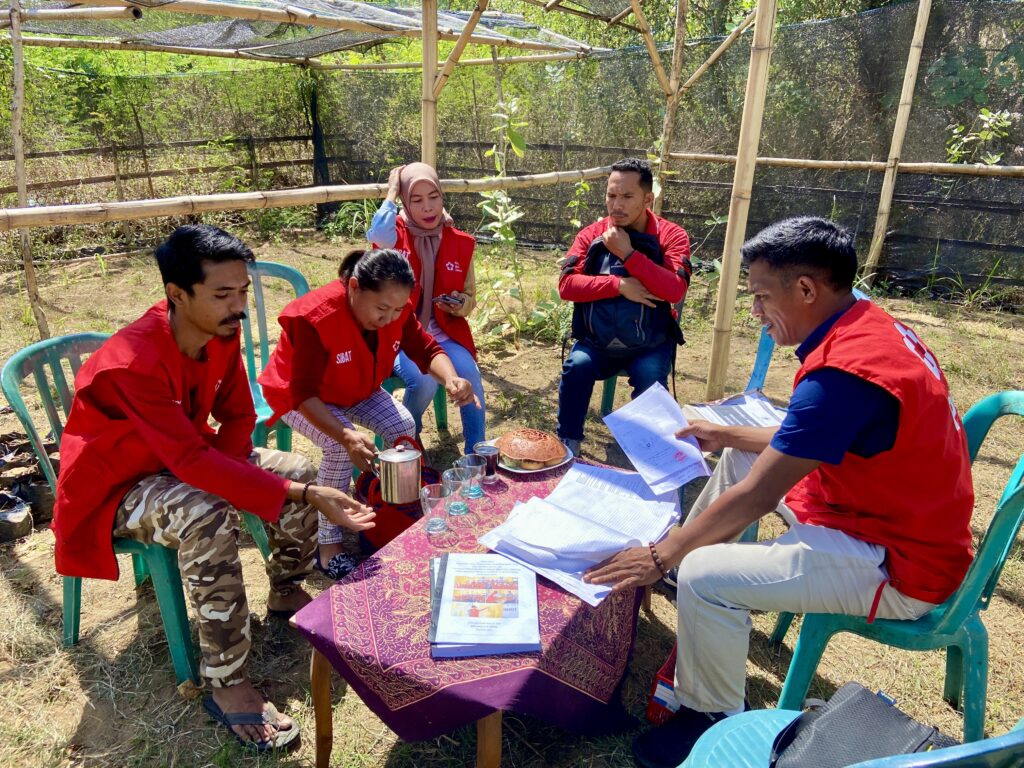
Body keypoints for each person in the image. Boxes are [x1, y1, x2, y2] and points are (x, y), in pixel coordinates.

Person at [584, 217, 974, 768]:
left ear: (807, 289)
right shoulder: (867, 325)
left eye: (762, 296)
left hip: (901, 562)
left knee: (705, 576)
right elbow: (812, 435)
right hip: (887, 511)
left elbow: (758, 496)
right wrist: (725, 434)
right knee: (739, 458)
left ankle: (710, 714)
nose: (755, 311)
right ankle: (687, 575)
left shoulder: (844, 374)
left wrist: (661, 553)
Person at [52, 225, 377, 753]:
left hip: (184, 455)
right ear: (177, 294)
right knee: (207, 512)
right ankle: (226, 680)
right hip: (116, 484)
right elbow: (188, 461)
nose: (238, 306)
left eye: (243, 290)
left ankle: (285, 588)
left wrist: (235, 474)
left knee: (298, 469)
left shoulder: (220, 334)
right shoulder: (134, 361)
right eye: (223, 294)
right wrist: (239, 484)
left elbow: (238, 415)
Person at [258, 248, 477, 578]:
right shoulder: (315, 318)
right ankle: (328, 547)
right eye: (382, 308)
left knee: (402, 425)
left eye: (398, 309)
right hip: (300, 397)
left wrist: (451, 378)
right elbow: (303, 393)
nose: (389, 318)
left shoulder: (397, 310)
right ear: (354, 287)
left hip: (356, 386)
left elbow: (426, 348)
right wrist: (346, 435)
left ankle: (390, 509)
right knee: (338, 446)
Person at [557, 157, 692, 456]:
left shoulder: (671, 235)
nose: (616, 205)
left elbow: (674, 288)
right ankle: (568, 442)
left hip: (650, 342)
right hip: (596, 340)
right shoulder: (591, 234)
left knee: (649, 374)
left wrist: (628, 254)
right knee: (577, 366)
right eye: (611, 195)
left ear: (648, 199)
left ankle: (648, 448)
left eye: (627, 196)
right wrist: (618, 285)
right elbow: (566, 286)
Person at [367, 162, 486, 454]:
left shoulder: (458, 241)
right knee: (423, 381)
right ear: (405, 203)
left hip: (444, 332)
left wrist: (458, 304)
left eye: (434, 197)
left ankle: (476, 452)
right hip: (401, 334)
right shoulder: (395, 236)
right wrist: (392, 191)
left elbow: (470, 298)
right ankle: (407, 437)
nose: (428, 207)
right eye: (417, 200)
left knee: (470, 376)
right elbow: (376, 235)